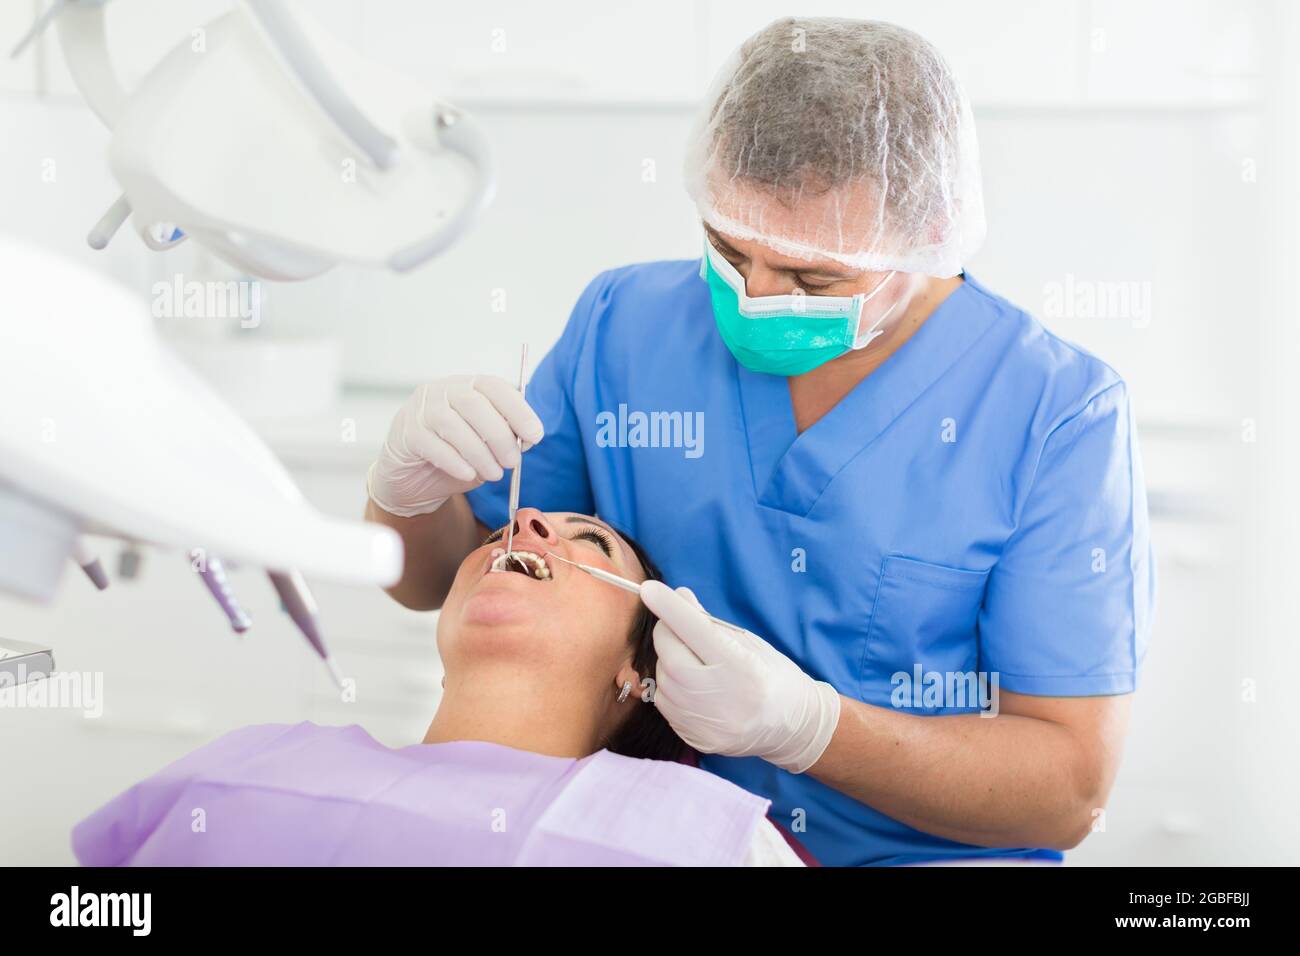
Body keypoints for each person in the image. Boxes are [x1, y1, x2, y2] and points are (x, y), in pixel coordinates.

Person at [364, 18, 1154, 866]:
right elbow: (452, 582)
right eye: (729, 249)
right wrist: (405, 499)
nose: (753, 298)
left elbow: (1067, 792)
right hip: (633, 841)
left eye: (815, 278)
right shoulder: (623, 327)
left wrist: (809, 728)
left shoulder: (1055, 414)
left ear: (933, 233)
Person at [72, 510, 805, 867]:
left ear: (637, 669)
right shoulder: (251, 765)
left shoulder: (700, 831)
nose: (526, 521)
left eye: (590, 541)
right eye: (499, 537)